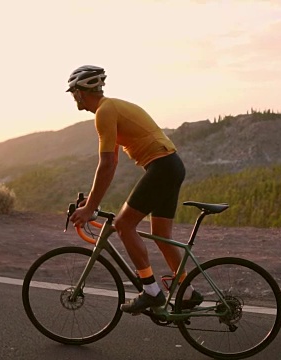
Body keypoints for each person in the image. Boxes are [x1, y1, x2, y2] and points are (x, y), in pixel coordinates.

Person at [67, 65, 202, 313]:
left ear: (81, 92)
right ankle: (187, 291)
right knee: (161, 235)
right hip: (170, 166)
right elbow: (110, 164)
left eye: (74, 92)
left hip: (162, 168)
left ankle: (151, 291)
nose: (74, 98)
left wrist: (90, 208)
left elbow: (107, 164)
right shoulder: (112, 107)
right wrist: (91, 201)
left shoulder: (104, 111)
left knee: (123, 225)